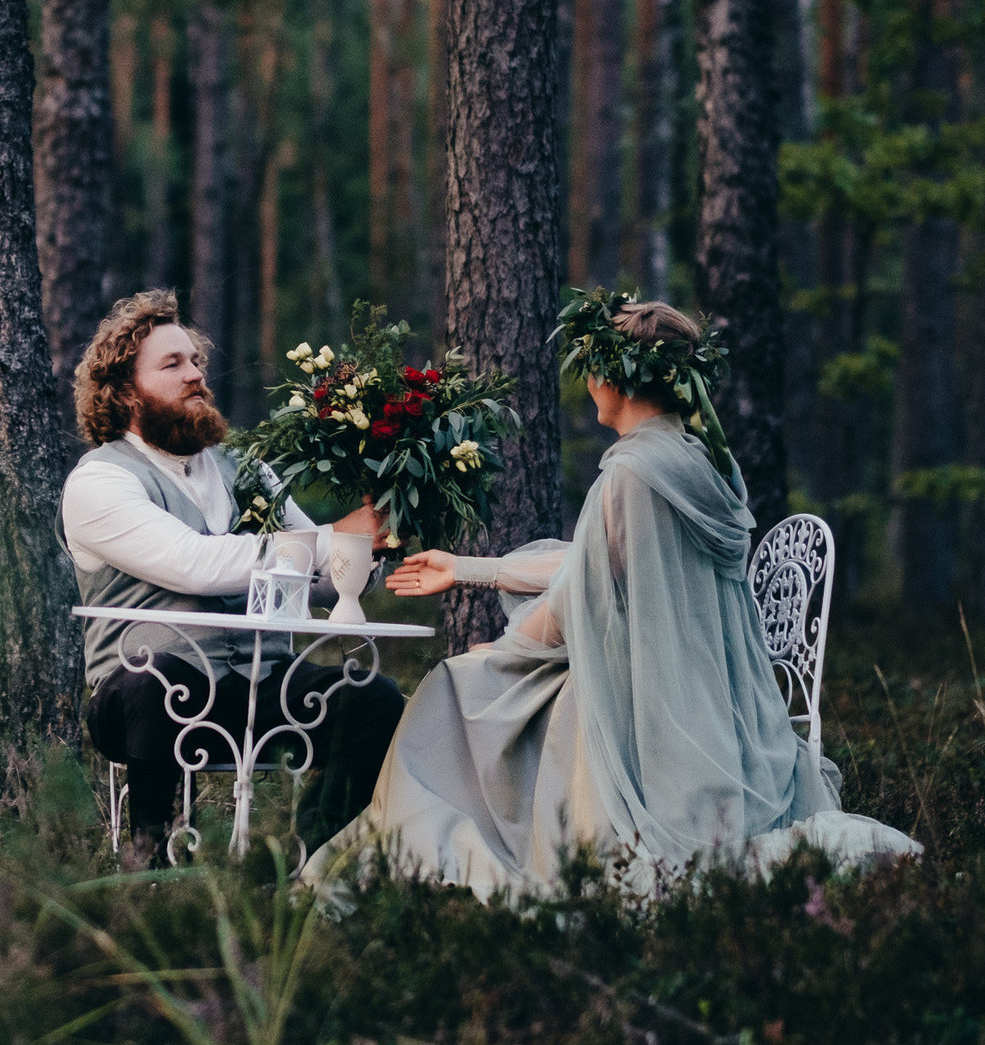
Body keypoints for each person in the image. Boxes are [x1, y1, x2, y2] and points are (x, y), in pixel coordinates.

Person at [304, 296, 919, 904]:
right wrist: (469, 569)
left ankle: (420, 855)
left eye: (591, 368)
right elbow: (597, 562)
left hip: (641, 695)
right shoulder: (701, 461)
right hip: (710, 692)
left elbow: (579, 601)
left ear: (615, 377)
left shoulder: (630, 475)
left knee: (452, 689)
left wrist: (506, 647)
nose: (589, 383)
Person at [65, 291, 406, 856]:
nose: (195, 374)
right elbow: (194, 564)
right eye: (172, 364)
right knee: (156, 679)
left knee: (372, 698)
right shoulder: (100, 481)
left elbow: (322, 578)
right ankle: (151, 865)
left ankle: (311, 863)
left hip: (260, 687)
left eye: (195, 361)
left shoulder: (244, 468)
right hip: (142, 698)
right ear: (124, 391)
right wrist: (333, 536)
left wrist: (372, 539)